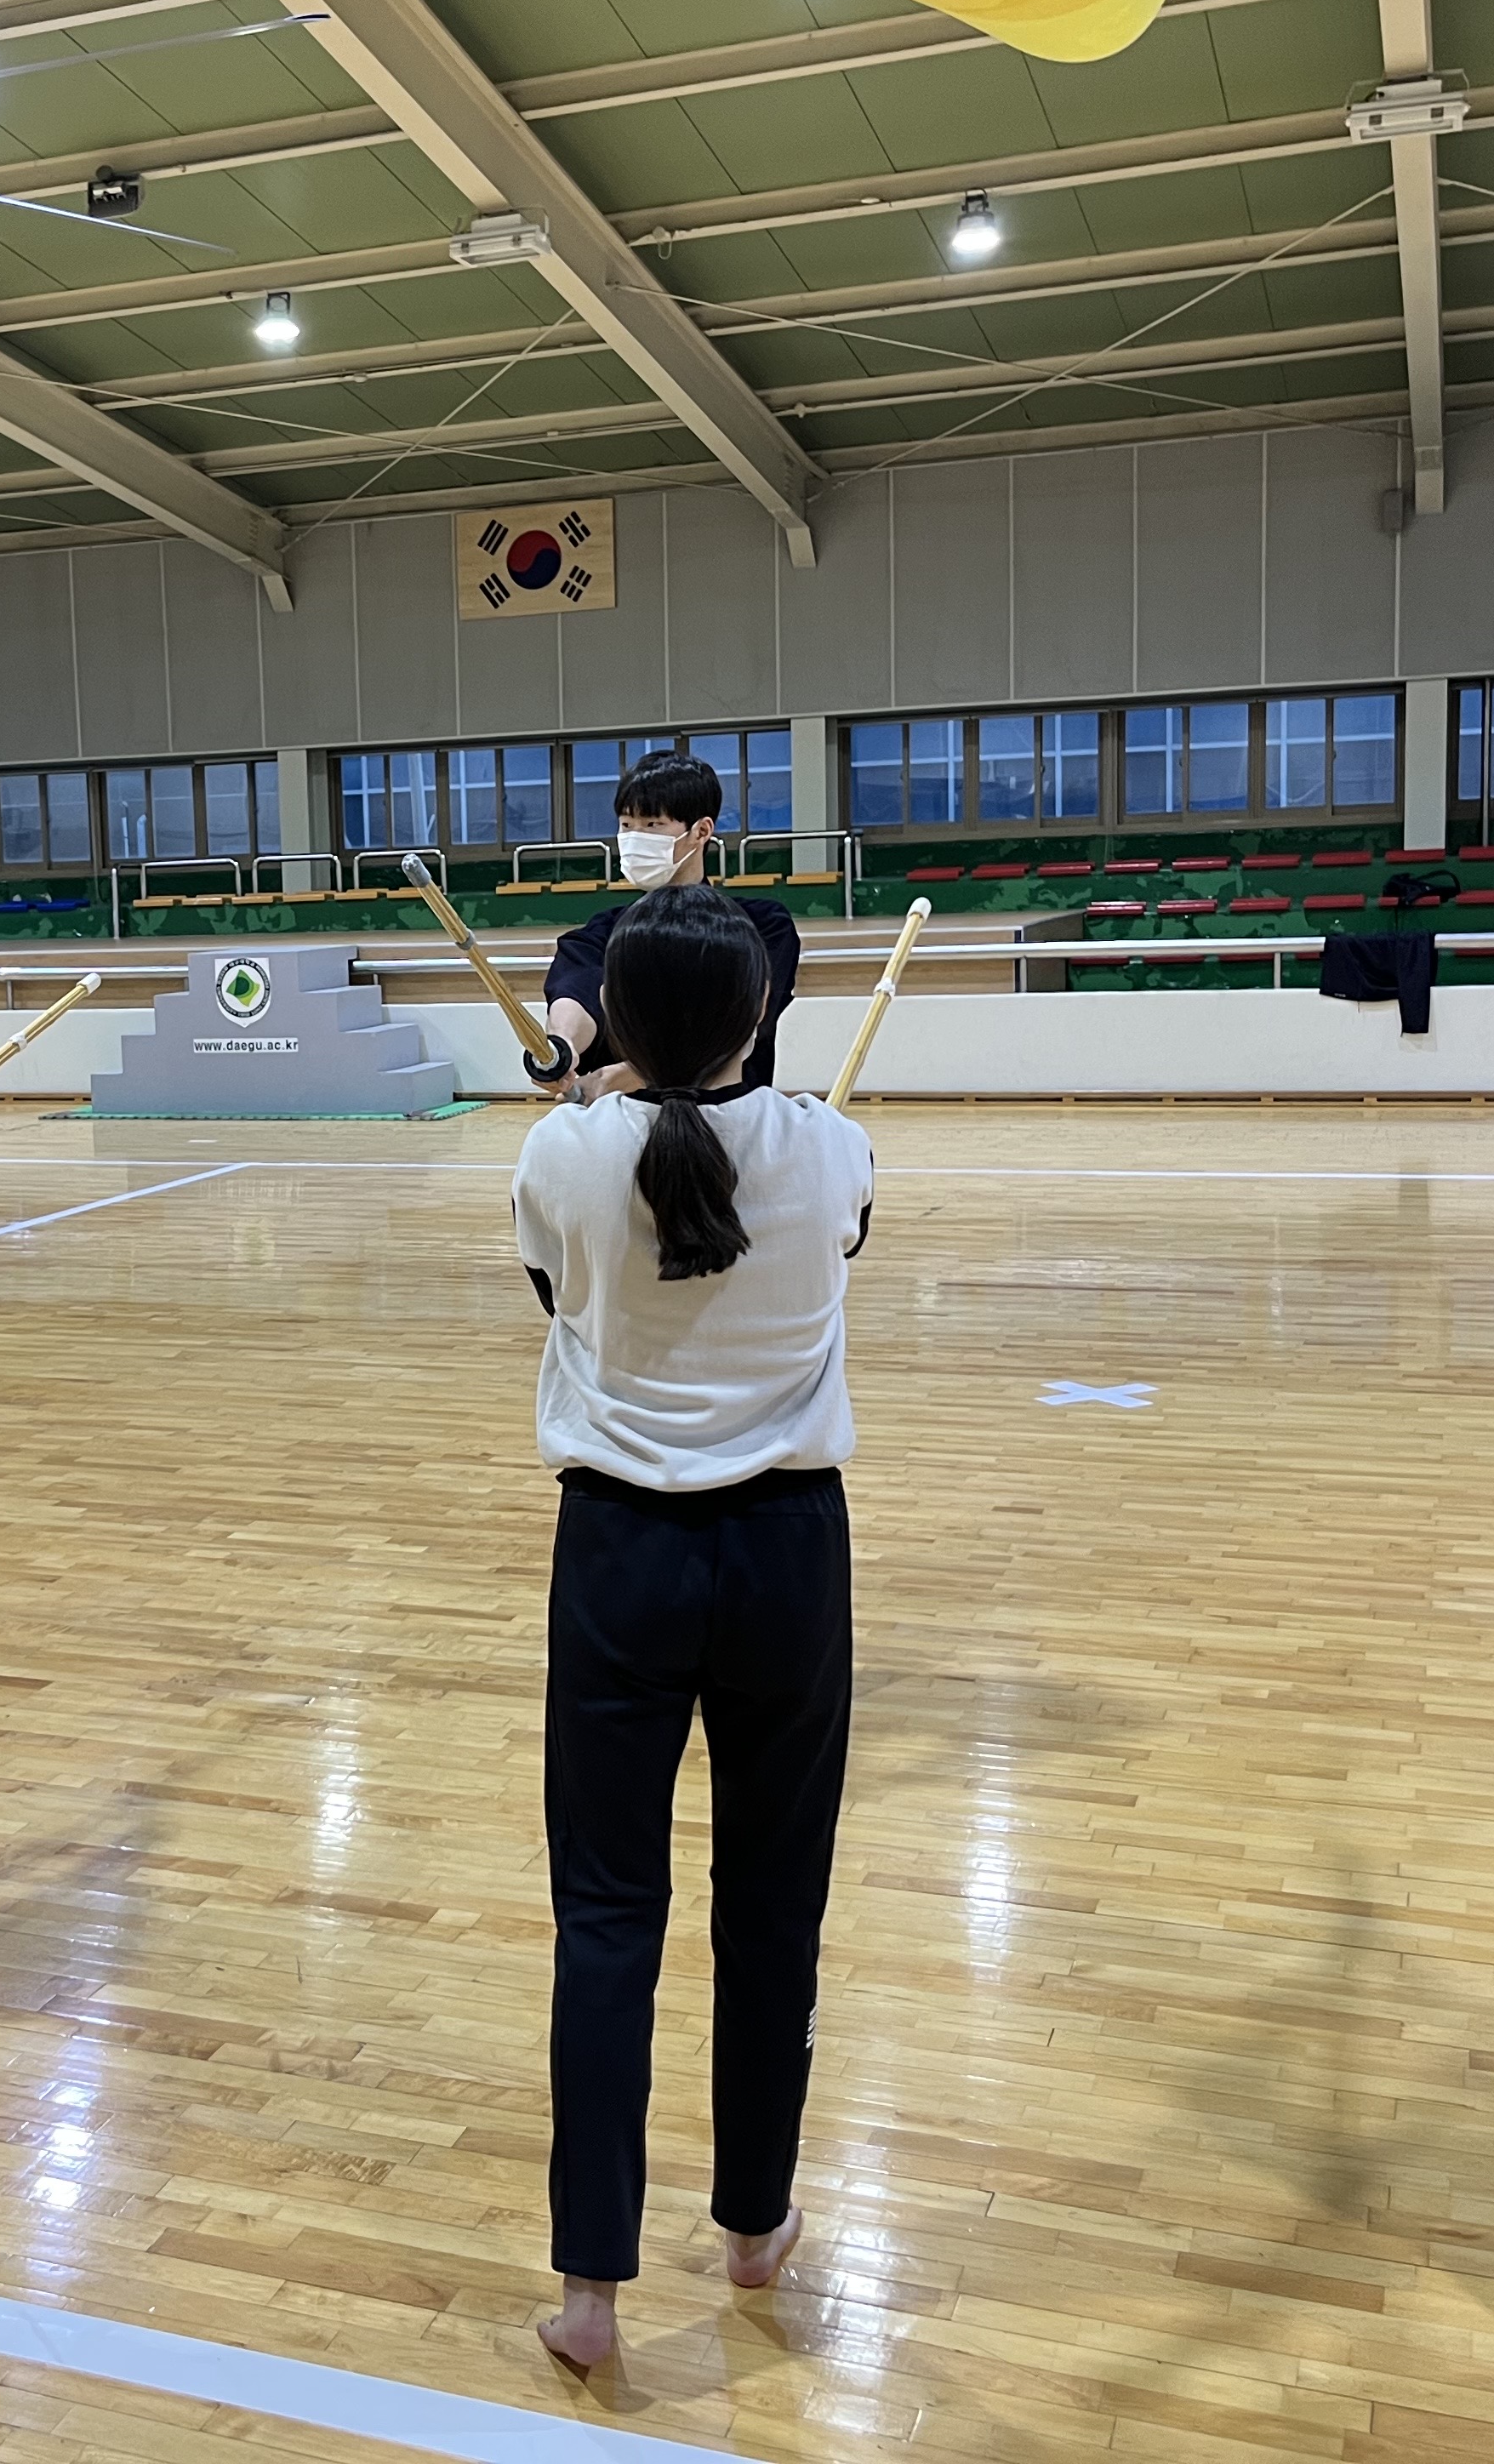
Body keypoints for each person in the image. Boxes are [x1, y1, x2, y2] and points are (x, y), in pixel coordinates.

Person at [507, 883, 875, 2370]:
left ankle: (592, 2290)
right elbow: (838, 1244)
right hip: (788, 1553)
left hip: (619, 1551)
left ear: (621, 1021)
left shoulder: (563, 1151)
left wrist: (604, 1107)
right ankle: (752, 2223)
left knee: (607, 1913)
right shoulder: (830, 1143)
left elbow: (552, 1288)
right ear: (757, 1016)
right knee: (772, 1902)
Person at [537, 749, 801, 1098]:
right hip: (626, 1119)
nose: (635, 837)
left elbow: (742, 1028)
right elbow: (578, 993)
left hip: (727, 1114)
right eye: (626, 825)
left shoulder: (761, 926)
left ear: (701, 831)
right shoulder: (603, 932)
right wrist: (563, 1046)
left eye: (652, 825)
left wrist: (623, 1077)